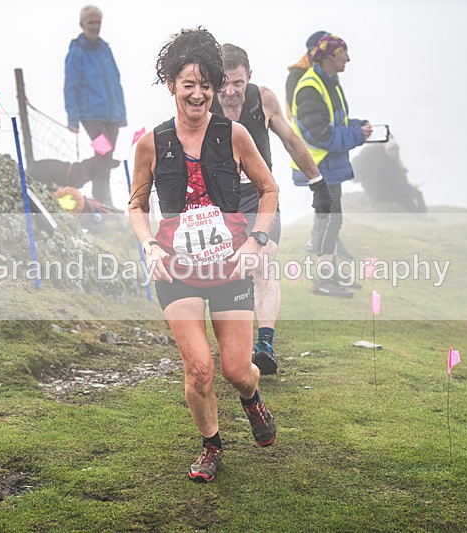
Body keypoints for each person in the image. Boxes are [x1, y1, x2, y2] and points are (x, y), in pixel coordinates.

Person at [128, 27, 279, 483]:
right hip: (177, 269)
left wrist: (256, 240)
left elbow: (269, 189)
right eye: (188, 84)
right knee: (199, 368)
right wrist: (149, 244)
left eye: (206, 85)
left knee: (237, 370)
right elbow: (136, 204)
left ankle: (252, 399)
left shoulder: (234, 136)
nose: (198, 94)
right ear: (172, 84)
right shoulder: (151, 143)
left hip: (230, 265)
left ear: (215, 87)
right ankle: (211, 445)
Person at [210, 43, 332, 375]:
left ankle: (264, 345)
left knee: (262, 264)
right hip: (217, 203)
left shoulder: (263, 99)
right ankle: (232, 346)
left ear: (249, 77)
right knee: (226, 274)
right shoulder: (203, 103)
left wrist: (317, 182)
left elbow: (290, 140)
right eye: (224, 83)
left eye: (238, 82)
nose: (231, 91)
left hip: (260, 197)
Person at [290, 33, 372, 297]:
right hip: (318, 165)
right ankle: (323, 280)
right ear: (328, 56)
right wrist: (357, 136)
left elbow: (334, 123)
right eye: (342, 53)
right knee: (329, 220)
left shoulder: (330, 82)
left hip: (328, 164)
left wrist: (357, 126)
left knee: (330, 219)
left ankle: (330, 275)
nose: (348, 58)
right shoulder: (310, 86)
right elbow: (321, 135)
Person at [64, 5, 127, 208]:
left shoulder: (105, 49)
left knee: (106, 157)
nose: (95, 26)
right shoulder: (76, 52)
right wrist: (72, 118)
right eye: (91, 22)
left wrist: (121, 115)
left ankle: (102, 201)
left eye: (97, 22)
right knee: (104, 152)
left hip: (112, 116)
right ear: (82, 24)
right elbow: (70, 86)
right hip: (91, 116)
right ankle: (101, 199)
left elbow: (116, 81)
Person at [352, 138, 427, 213]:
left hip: (379, 193)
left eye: (396, 150)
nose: (394, 152)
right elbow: (396, 182)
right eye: (392, 150)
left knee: (408, 196)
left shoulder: (381, 161)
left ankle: (415, 216)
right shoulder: (384, 165)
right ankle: (424, 215)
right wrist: (410, 186)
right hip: (383, 194)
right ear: (386, 150)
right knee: (417, 194)